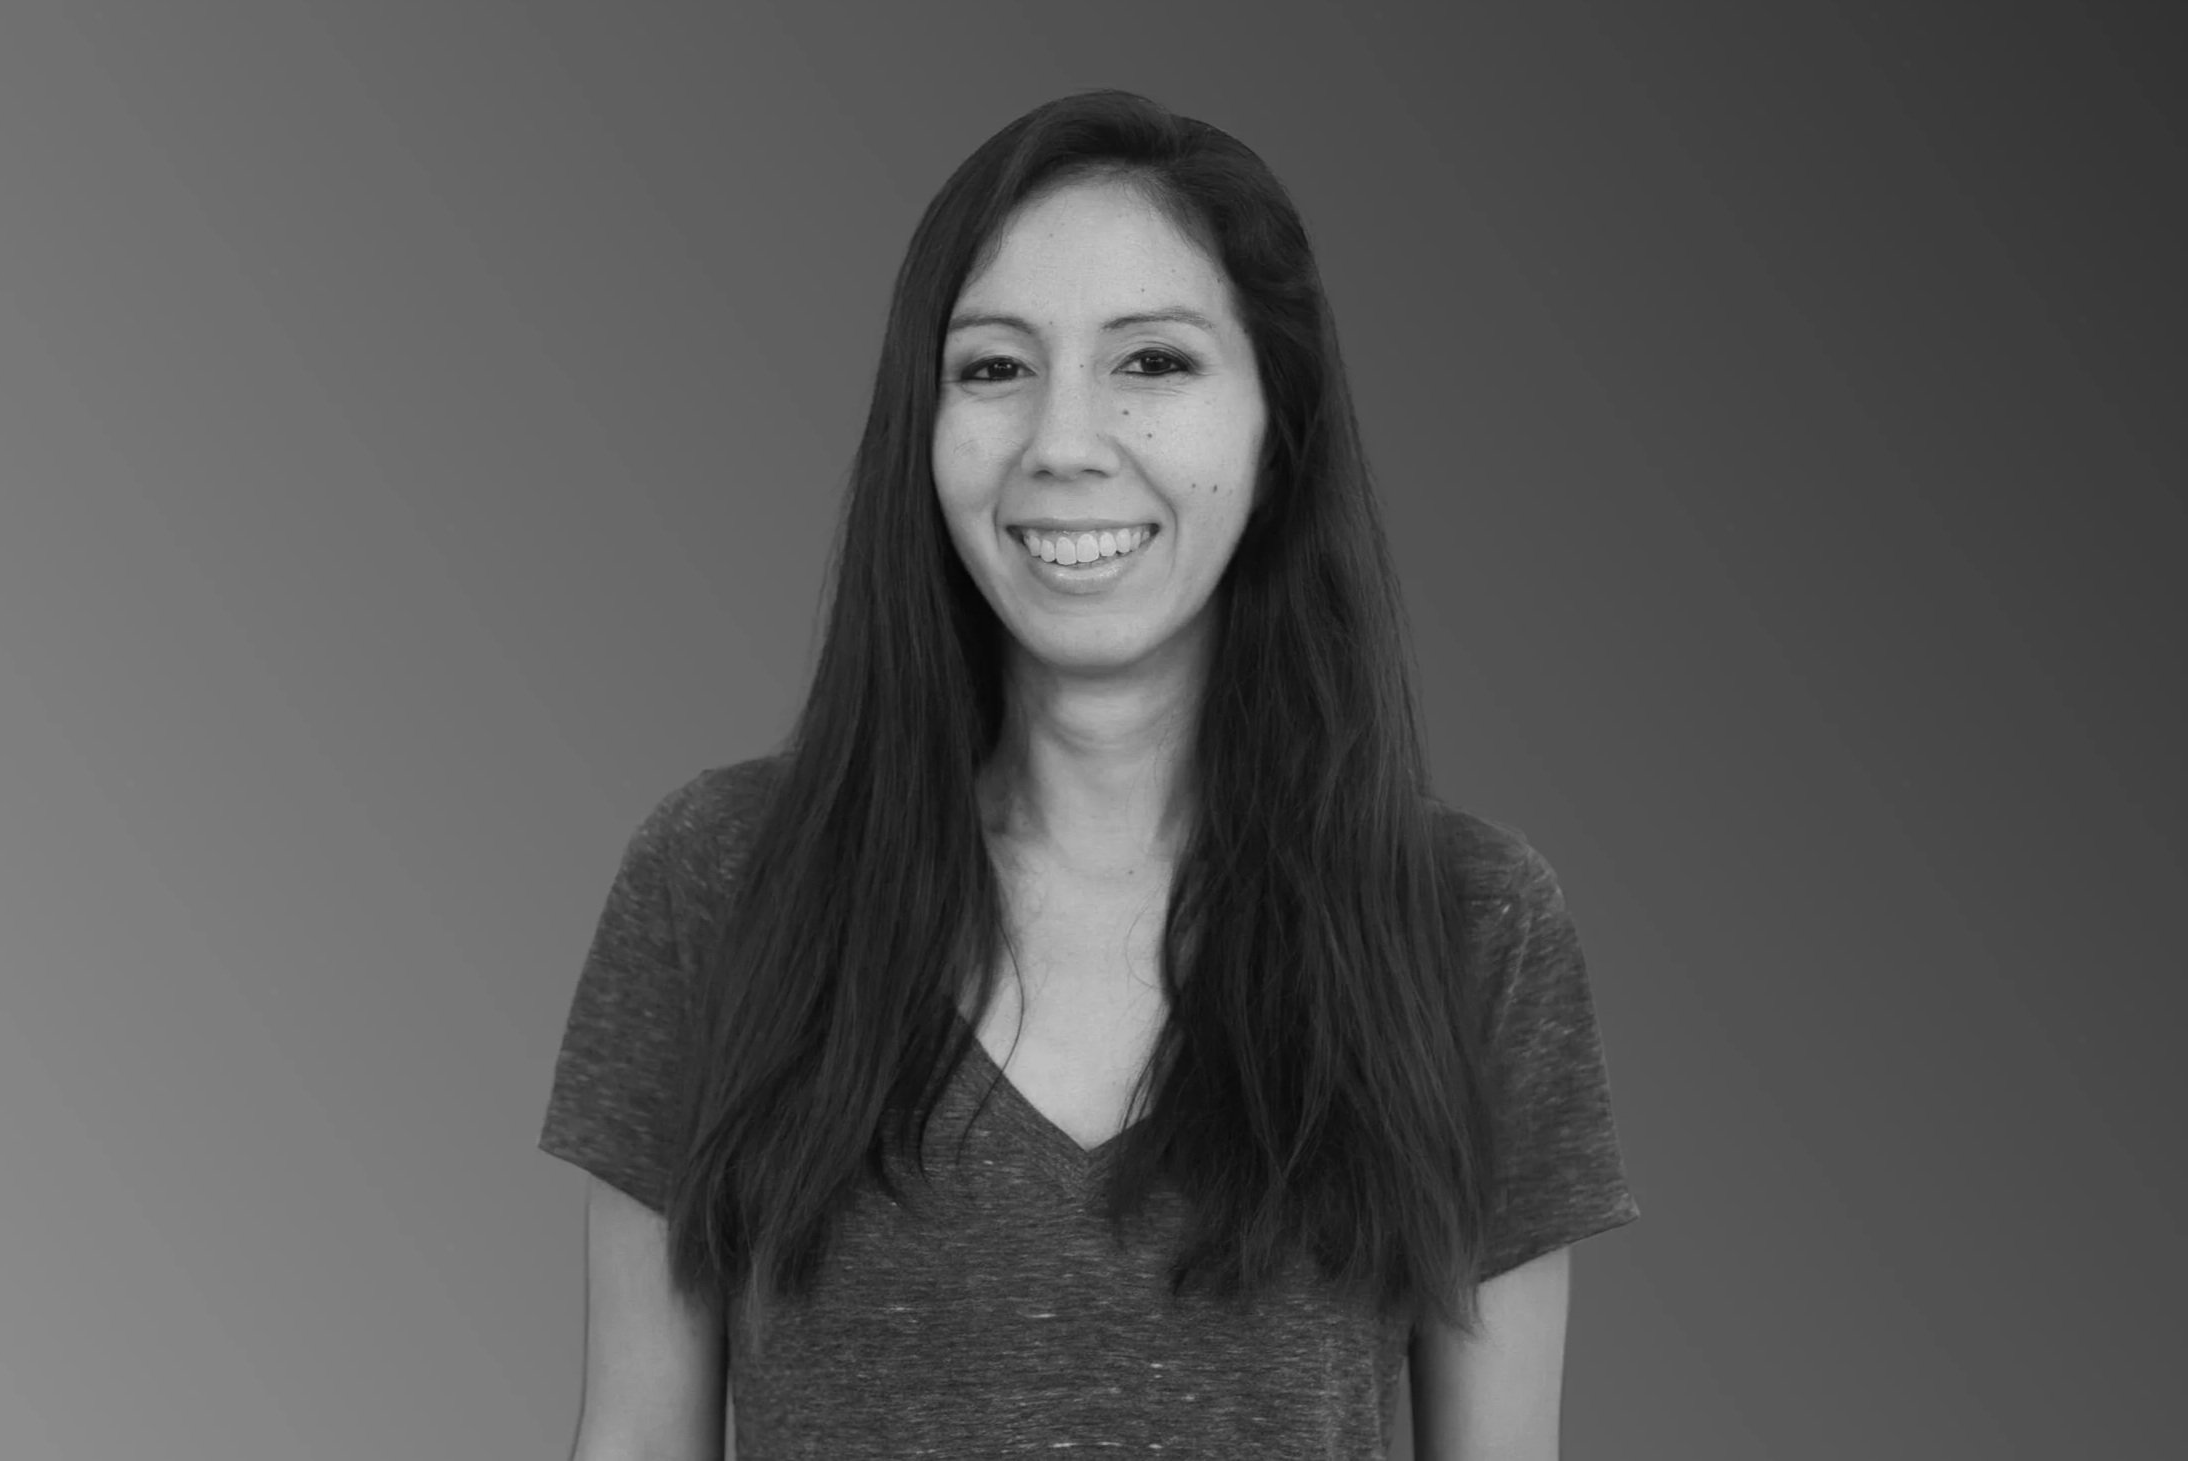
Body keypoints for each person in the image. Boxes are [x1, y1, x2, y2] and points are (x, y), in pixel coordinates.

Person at [538, 89, 1639, 1460]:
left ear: (1276, 430)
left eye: (1154, 362)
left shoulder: (1470, 925)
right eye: (995, 367)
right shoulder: (717, 880)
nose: (1063, 441)